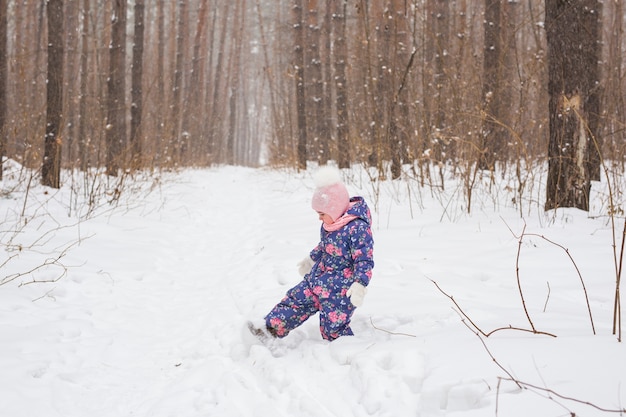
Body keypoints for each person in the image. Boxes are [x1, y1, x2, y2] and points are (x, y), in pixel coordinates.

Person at [249, 166, 374, 341]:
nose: (319, 218)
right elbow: (325, 245)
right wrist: (311, 258)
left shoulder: (358, 228)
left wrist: (360, 284)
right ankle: (267, 329)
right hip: (318, 278)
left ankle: (345, 351)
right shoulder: (331, 223)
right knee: (294, 301)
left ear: (335, 208)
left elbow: (364, 260)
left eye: (322, 213)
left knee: (333, 330)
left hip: (340, 291)